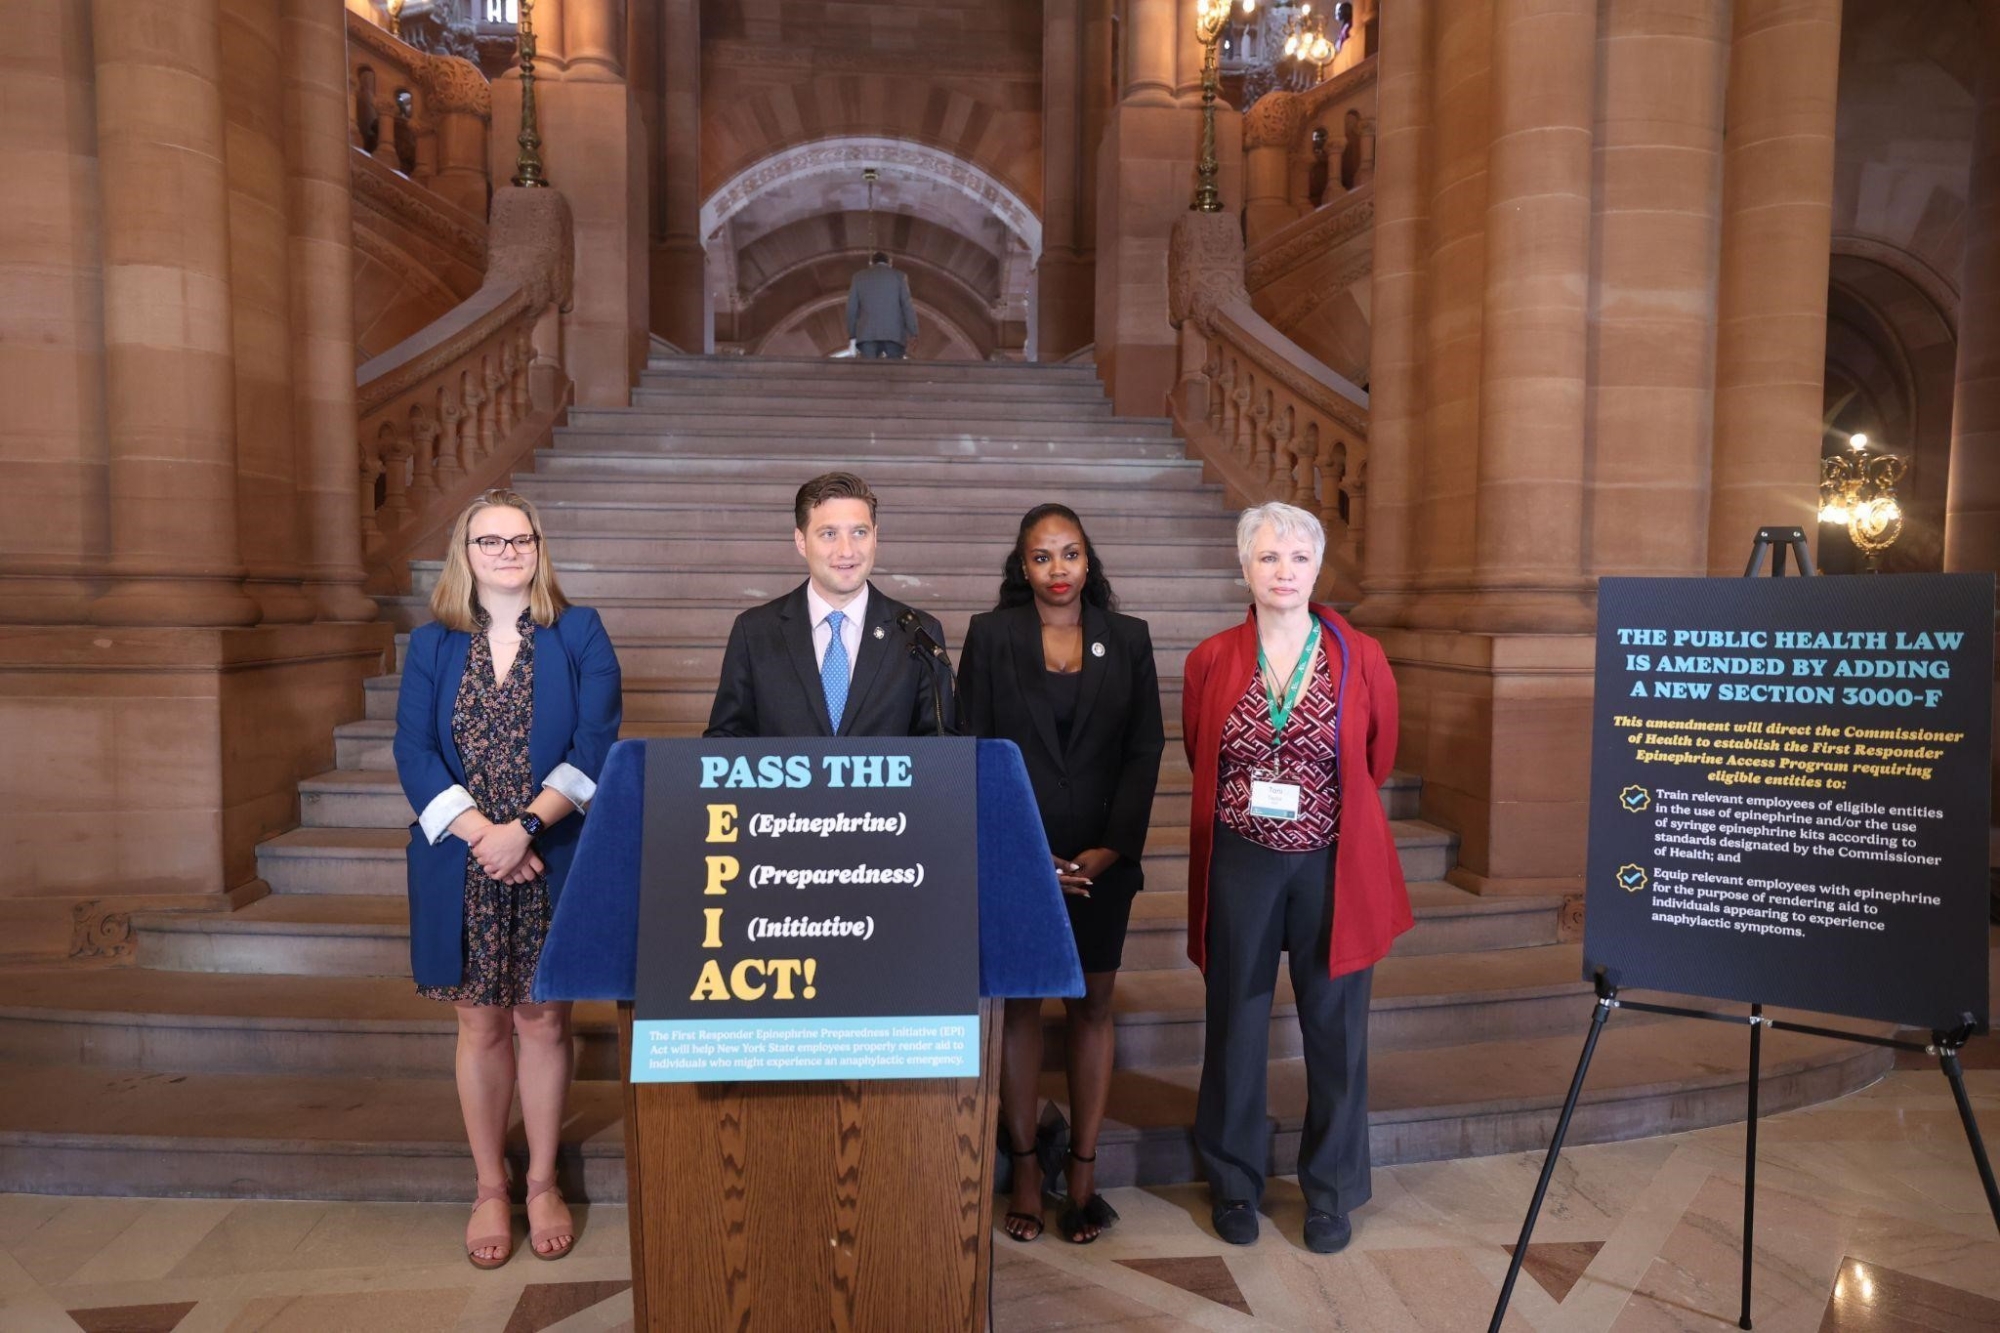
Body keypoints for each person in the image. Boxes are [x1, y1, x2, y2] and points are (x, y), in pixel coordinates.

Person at [394, 489, 623, 1269]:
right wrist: (484, 837)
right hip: (462, 859)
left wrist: (522, 829)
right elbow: (413, 751)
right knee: (480, 1023)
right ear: (466, 553)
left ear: (538, 547)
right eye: (489, 541)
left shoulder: (578, 631)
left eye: (519, 539)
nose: (506, 552)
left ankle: (542, 1181)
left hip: (550, 852)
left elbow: (596, 742)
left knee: (544, 1020)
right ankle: (490, 1186)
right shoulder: (432, 643)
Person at [1182, 500, 1411, 1255]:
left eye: (1299, 557)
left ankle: (1332, 1191)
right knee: (1236, 1024)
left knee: (1337, 1031)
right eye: (1269, 556)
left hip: (1332, 859)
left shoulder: (1361, 657)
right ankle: (1234, 1182)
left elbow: (1376, 756)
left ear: (1318, 568)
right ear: (1244, 567)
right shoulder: (1211, 659)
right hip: (1243, 860)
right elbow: (1200, 749)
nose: (1284, 571)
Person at [959, 505, 1165, 1245]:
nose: (1057, 569)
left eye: (1069, 554)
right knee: (1020, 1008)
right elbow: (972, 746)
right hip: (1019, 858)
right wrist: (1020, 851)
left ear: (1087, 561)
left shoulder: (1128, 637)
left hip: (1103, 863)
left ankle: (1081, 1169)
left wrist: (1114, 846)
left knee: (1091, 1006)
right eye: (1042, 556)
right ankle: (1023, 1167)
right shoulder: (991, 636)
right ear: (1022, 566)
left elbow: (1145, 748)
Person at [706, 471, 952, 738]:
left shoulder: (919, 632)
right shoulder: (754, 631)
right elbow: (725, 742)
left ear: (875, 537)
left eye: (859, 532)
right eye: (829, 534)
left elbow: (942, 748)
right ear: (801, 541)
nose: (846, 551)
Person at [845, 251, 918, 359]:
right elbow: (907, 306)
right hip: (894, 334)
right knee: (894, 368)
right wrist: (913, 332)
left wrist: (852, 334)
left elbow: (851, 308)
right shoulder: (899, 276)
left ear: (871, 263)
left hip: (867, 334)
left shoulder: (858, 277)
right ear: (890, 263)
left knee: (870, 369)